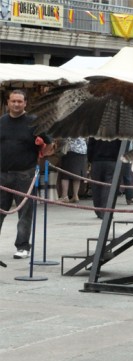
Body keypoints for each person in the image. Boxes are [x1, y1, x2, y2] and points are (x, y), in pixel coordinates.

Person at [0, 89, 53, 259]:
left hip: (25, 175)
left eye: (19, 101)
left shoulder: (34, 122)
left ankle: (23, 246)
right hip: (2, 174)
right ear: (8, 103)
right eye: (13, 101)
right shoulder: (1, 121)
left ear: (25, 103)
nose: (16, 104)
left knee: (25, 213)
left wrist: (42, 146)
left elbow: (51, 147)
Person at [87, 138, 122, 219]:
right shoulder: (118, 128)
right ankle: (106, 211)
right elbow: (121, 145)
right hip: (112, 161)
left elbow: (90, 145)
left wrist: (90, 159)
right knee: (109, 187)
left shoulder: (95, 128)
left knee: (96, 187)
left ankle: (98, 210)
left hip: (96, 161)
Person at [58, 137, 87, 203]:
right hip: (82, 149)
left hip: (71, 148)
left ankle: (64, 196)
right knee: (77, 174)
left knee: (65, 174)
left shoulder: (71, 126)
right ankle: (75, 195)